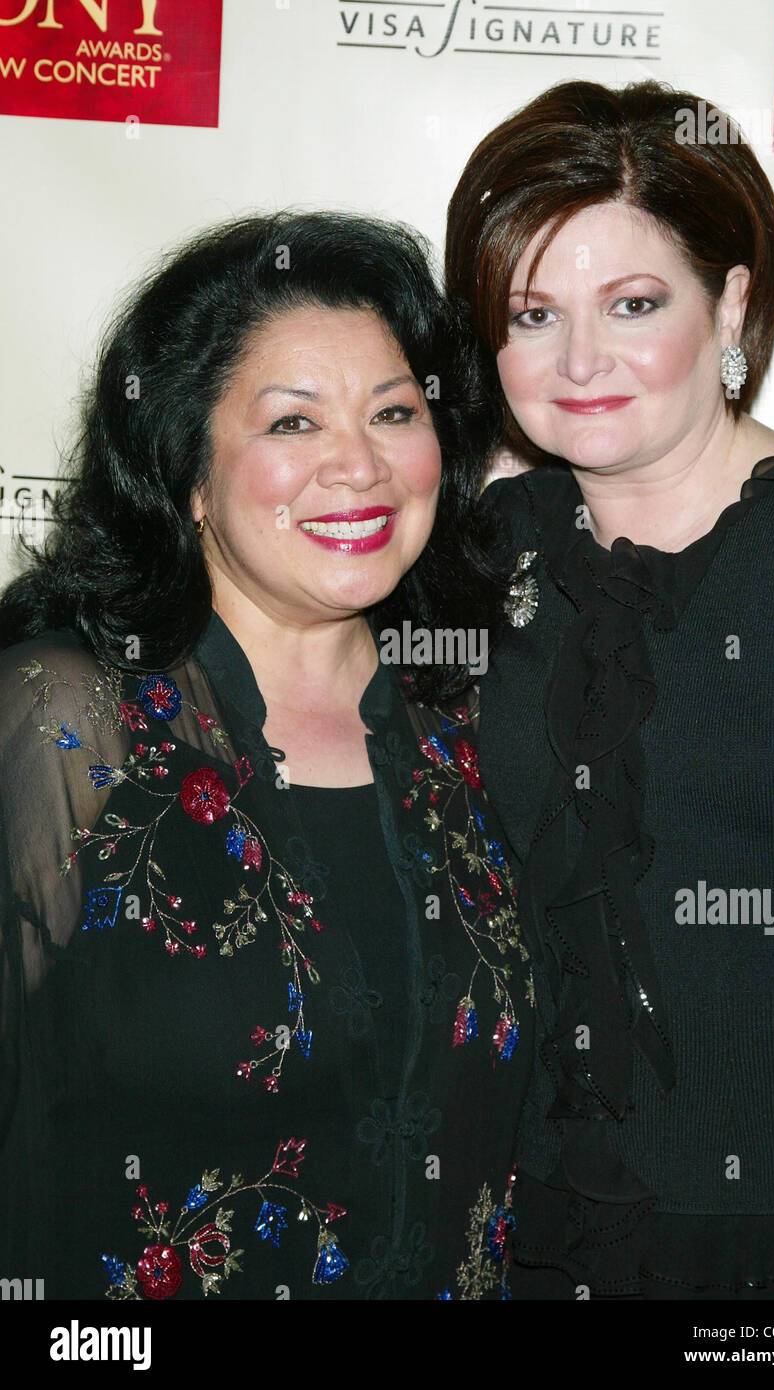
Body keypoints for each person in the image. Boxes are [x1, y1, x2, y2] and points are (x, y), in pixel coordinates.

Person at [0, 211, 534, 1301]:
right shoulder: (66, 720)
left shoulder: (472, 727)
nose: (359, 464)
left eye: (394, 412)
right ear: (187, 472)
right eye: (292, 424)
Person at [445, 79, 774, 1300]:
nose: (579, 360)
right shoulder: (477, 552)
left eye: (633, 304)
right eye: (532, 315)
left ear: (729, 300)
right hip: (538, 1236)